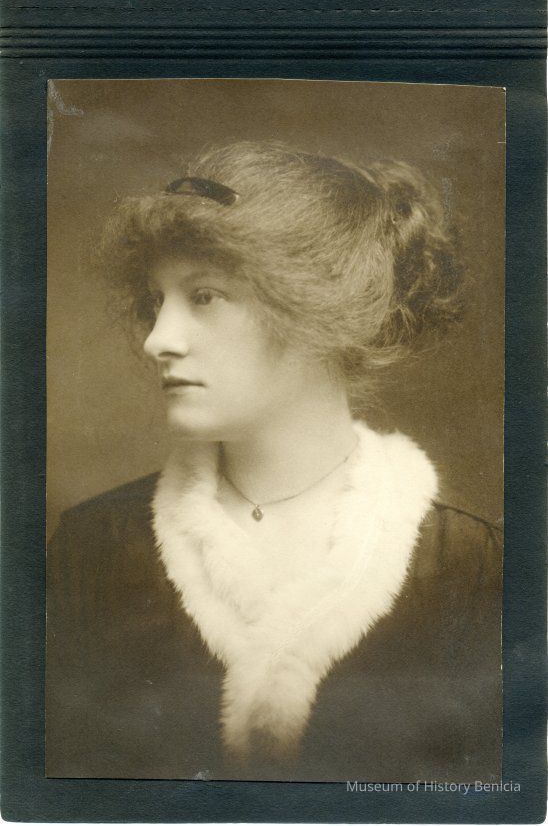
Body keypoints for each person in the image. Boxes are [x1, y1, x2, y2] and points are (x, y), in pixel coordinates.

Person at [46, 141, 502, 782]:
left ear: (315, 308)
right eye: (156, 301)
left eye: (204, 296)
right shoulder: (96, 546)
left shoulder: (467, 563)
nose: (157, 339)